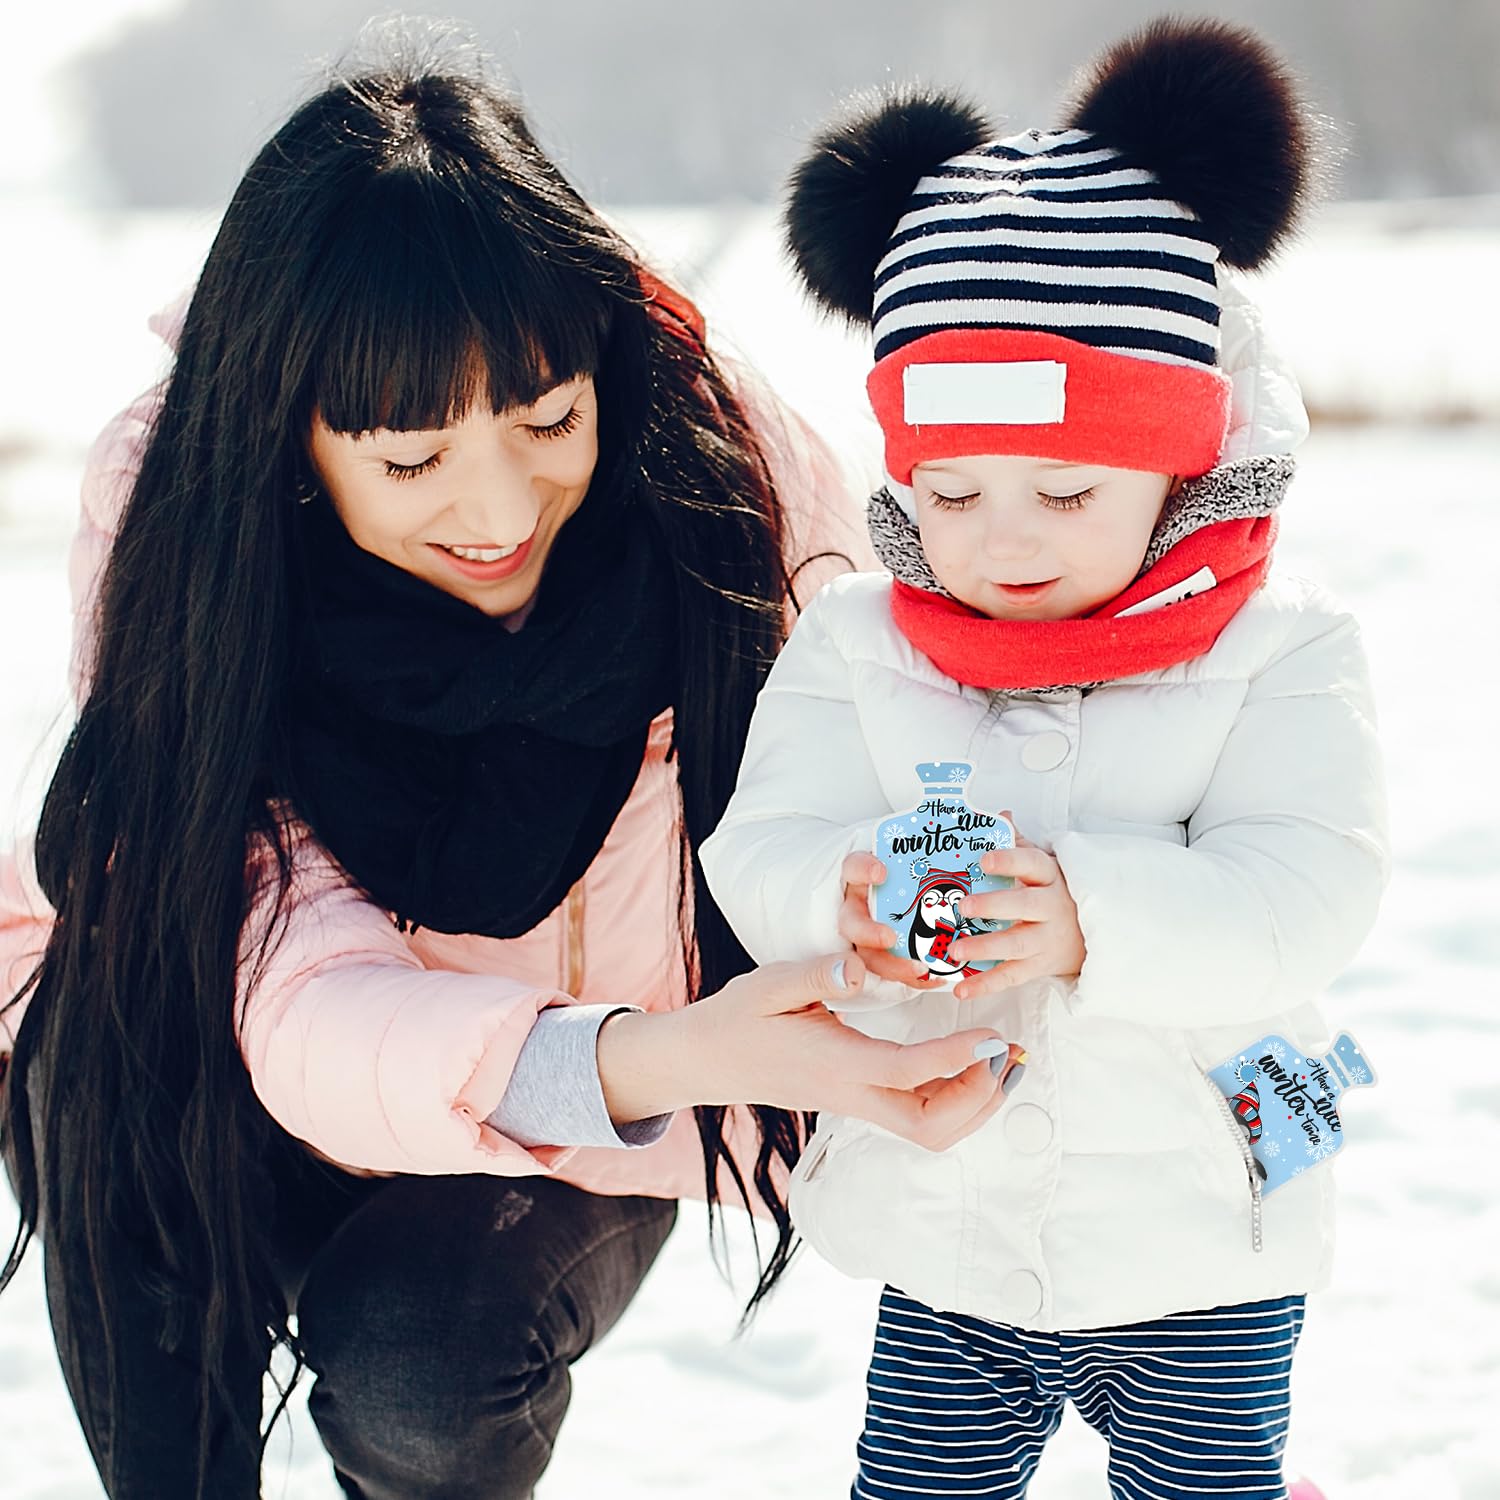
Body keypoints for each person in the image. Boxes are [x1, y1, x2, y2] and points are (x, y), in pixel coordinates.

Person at [0, 29, 1019, 1500]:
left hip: (591, 1091)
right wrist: (687, 1049)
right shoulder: (190, 519)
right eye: (410, 460)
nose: (499, 508)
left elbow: (916, 779)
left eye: (549, 421)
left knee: (417, 1365)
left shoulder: (723, 484)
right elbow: (283, 984)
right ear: (290, 434)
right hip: (222, 1057)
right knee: (98, 1061)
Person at [700, 18, 1388, 1500]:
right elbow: (761, 845)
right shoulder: (859, 641)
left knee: (1206, 1485)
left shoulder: (1280, 645)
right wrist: (849, 898)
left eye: (1067, 491)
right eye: (951, 491)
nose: (1002, 540)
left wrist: (1092, 916)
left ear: (1177, 459)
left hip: (1203, 1229)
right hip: (947, 1223)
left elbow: (1304, 895)